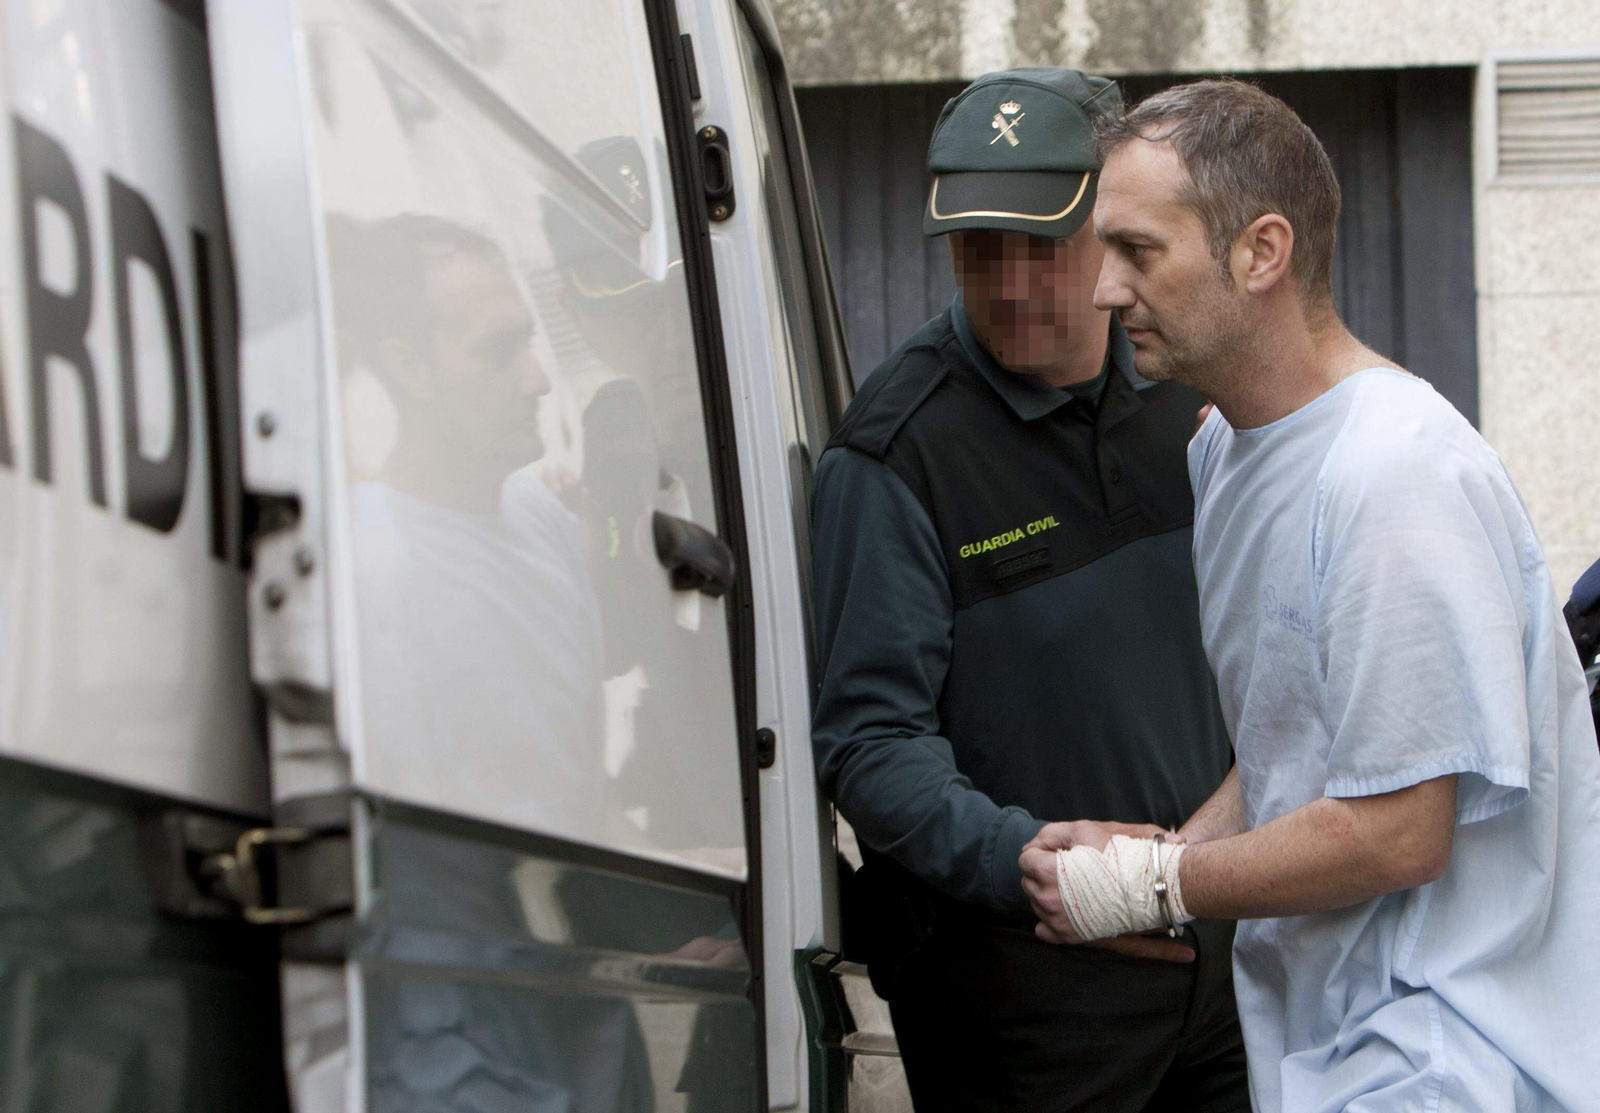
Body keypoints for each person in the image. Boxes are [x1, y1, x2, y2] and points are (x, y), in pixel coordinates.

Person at [1021, 79, 1600, 1112]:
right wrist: (1161, 852)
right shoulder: (1222, 453)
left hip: (1448, 1058)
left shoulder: (1395, 472)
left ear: (1261, 251)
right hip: (1328, 1049)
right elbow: (1295, 744)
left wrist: (1150, 888)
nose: (1103, 290)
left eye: (1137, 250)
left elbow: (1396, 832)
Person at [810, 68, 1249, 1113]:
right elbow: (869, 743)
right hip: (1028, 1006)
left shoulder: (1190, 392)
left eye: (1039, 246)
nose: (1005, 285)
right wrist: (1023, 859)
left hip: (1230, 970)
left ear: (1111, 229)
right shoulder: (894, 454)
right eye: (975, 249)